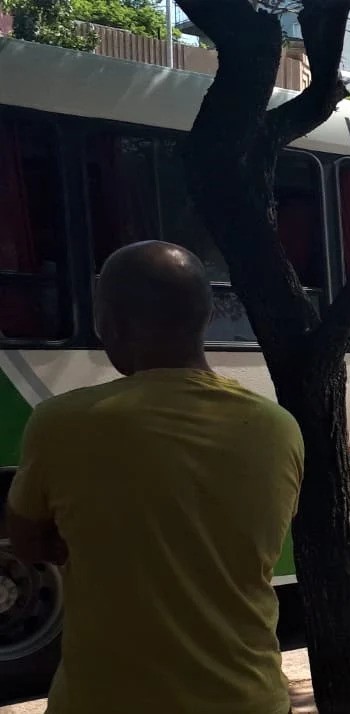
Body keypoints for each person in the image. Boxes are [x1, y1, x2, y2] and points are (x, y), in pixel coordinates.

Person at [4, 241, 303, 714]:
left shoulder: (59, 423)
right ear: (206, 317)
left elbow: (26, 543)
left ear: (111, 324)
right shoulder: (278, 427)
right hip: (248, 700)